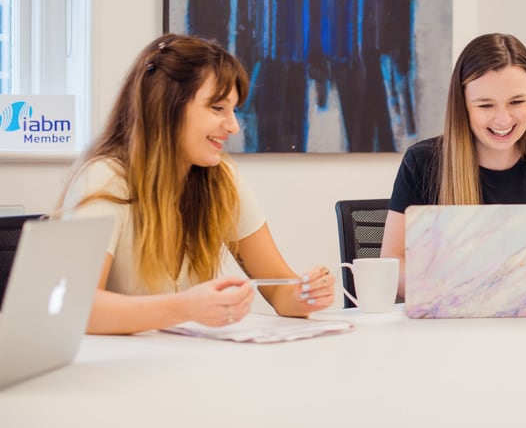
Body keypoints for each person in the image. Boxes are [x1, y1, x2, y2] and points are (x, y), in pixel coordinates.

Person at [58, 33, 335, 334]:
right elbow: (77, 307)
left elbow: (280, 291)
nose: (233, 126)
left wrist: (304, 294)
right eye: (217, 108)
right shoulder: (105, 178)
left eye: (234, 110)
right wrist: (186, 307)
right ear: (167, 106)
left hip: (188, 366)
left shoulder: (221, 179)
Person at [380, 33, 526, 298]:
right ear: (463, 105)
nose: (503, 119)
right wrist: (462, 292)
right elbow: (391, 264)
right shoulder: (422, 162)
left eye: (517, 102)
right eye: (486, 105)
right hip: (444, 329)